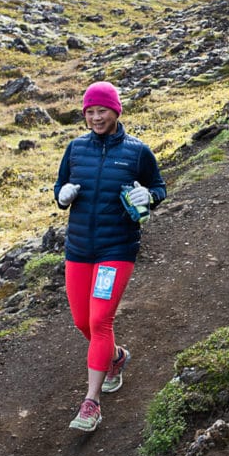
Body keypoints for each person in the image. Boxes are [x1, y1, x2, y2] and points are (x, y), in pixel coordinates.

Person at [53, 81, 166, 432]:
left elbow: (159, 187)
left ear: (116, 111)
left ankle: (92, 402)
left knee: (101, 320)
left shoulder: (137, 152)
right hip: (79, 249)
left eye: (101, 110)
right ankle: (116, 358)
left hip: (117, 248)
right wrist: (62, 196)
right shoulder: (75, 149)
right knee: (81, 322)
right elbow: (59, 187)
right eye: (89, 112)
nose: (95, 117)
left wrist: (149, 197)